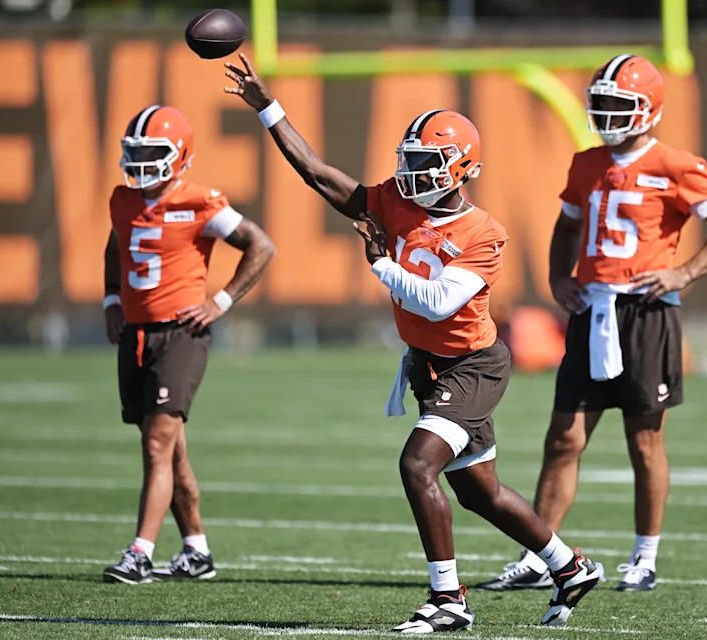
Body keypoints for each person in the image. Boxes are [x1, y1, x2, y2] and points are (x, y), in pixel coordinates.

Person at [223, 53, 603, 631]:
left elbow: (438, 301)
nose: (413, 173)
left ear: (463, 169)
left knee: (416, 464)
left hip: (473, 367)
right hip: (430, 366)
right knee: (482, 493)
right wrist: (267, 108)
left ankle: (448, 599)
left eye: (427, 162)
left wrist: (378, 262)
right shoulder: (399, 201)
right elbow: (320, 175)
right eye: (410, 160)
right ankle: (569, 566)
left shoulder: (484, 232)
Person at [476, 54, 707, 593]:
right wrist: (559, 278)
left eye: (616, 105)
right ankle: (543, 556)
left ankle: (644, 557)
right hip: (590, 310)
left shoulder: (676, 164)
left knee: (644, 441)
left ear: (648, 111)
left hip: (646, 312)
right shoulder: (586, 163)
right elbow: (566, 226)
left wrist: (686, 271)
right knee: (563, 438)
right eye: (599, 104)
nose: (605, 114)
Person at [102, 104, 275, 584]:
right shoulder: (123, 199)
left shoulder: (200, 201)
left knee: (158, 444)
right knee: (169, 449)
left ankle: (140, 553)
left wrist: (221, 300)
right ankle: (196, 549)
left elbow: (261, 245)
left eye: (152, 151)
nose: (141, 162)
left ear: (180, 155)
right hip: (136, 334)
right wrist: (112, 299)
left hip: (181, 333)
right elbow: (116, 246)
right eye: (135, 152)